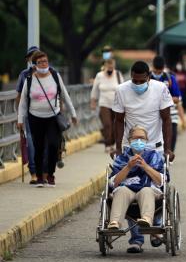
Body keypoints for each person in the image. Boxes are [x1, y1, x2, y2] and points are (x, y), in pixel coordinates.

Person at [113, 60, 174, 249]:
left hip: (155, 146)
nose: (138, 84)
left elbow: (166, 119)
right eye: (135, 81)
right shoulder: (122, 90)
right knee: (130, 185)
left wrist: (169, 149)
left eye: (141, 81)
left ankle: (155, 226)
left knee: (153, 188)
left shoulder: (160, 89)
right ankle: (137, 239)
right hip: (130, 145)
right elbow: (118, 120)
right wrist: (118, 148)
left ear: (149, 77)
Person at [17, 51, 77, 186]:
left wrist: (73, 114)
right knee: (38, 148)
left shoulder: (55, 76)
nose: (44, 64)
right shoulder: (30, 79)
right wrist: (20, 119)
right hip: (35, 117)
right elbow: (23, 102)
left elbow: (65, 95)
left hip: (53, 117)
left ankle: (50, 174)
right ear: (35, 65)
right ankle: (39, 177)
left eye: (45, 61)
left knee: (53, 145)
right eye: (40, 62)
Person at [107, 125, 164, 253]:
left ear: (147, 140)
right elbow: (113, 183)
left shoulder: (154, 156)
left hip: (148, 187)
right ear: (129, 140)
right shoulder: (121, 158)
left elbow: (161, 181)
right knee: (121, 191)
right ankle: (115, 223)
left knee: (146, 191)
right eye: (135, 138)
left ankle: (146, 220)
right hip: (127, 188)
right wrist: (128, 167)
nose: (138, 141)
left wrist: (145, 167)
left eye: (142, 138)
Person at [15, 46, 40, 185]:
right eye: (31, 56)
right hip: (30, 113)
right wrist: (20, 115)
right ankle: (34, 173)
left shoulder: (50, 73)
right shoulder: (24, 75)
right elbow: (19, 96)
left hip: (47, 114)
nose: (33, 58)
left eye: (36, 55)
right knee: (31, 142)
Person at [150, 56, 185, 152]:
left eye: (160, 72)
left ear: (163, 68)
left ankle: (169, 155)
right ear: (152, 67)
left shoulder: (170, 78)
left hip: (170, 113)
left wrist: (162, 99)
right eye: (156, 71)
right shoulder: (147, 78)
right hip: (152, 114)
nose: (157, 74)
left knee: (171, 135)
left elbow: (177, 98)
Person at [91, 59, 124, 153]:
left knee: (115, 125)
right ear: (105, 66)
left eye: (112, 66)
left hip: (116, 104)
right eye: (108, 66)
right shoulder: (99, 75)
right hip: (104, 103)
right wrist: (93, 101)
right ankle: (107, 144)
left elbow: (123, 89)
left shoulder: (118, 75)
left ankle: (112, 142)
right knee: (107, 124)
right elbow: (95, 90)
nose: (110, 68)